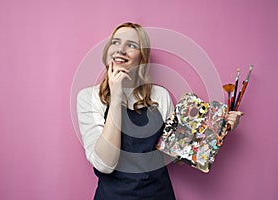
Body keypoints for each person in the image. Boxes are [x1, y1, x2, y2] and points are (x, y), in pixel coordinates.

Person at [77, 22, 243, 200]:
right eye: (115, 42)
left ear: (142, 57)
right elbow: (105, 165)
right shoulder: (89, 98)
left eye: (132, 45)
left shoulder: (160, 95)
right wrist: (116, 95)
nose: (121, 49)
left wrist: (218, 130)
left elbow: (176, 154)